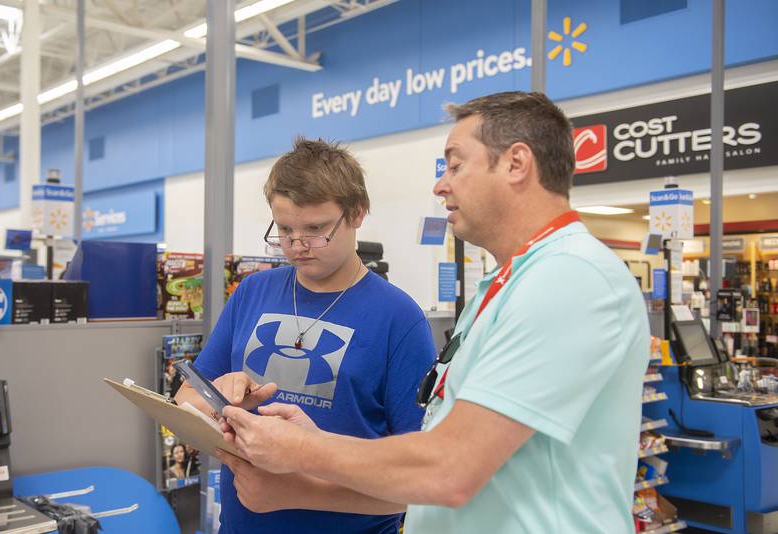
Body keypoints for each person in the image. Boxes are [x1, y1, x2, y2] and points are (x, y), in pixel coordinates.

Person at [218, 92, 651, 533]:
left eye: (456, 164)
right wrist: (314, 442)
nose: (441, 185)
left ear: (516, 164)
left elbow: (451, 467)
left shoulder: (568, 279)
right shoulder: (508, 286)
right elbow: (440, 448)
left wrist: (303, 452)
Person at [175, 138, 436, 534]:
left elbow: (420, 483)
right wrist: (219, 401)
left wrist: (295, 491)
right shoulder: (252, 292)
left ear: (358, 213)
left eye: (315, 229)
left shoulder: (399, 319)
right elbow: (185, 400)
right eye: (284, 229)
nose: (297, 246)